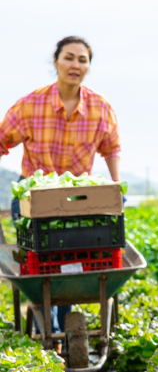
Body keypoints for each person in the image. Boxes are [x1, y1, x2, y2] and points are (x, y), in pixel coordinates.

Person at [0, 36, 122, 337]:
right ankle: (52, 333)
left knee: (72, 264)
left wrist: (116, 189)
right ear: (55, 62)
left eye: (82, 60)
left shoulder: (100, 107)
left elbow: (111, 149)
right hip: (33, 202)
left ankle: (64, 333)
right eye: (69, 57)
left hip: (82, 202)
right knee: (40, 264)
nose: (75, 65)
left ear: (88, 67)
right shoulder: (30, 105)